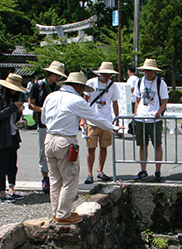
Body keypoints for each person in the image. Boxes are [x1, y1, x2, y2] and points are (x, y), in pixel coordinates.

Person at [41, 72, 117, 224]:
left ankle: (56, 212)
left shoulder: (51, 96)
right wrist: (112, 127)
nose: (83, 92)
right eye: (82, 88)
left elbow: (43, 118)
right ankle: (63, 214)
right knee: (70, 178)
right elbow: (95, 117)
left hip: (49, 138)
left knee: (55, 179)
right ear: (77, 86)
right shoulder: (76, 100)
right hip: (65, 140)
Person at [28, 61, 67, 193]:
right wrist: (44, 110)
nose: (57, 78)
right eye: (56, 75)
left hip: (56, 124)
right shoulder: (37, 86)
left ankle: (56, 179)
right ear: (50, 73)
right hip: (43, 123)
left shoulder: (57, 88)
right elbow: (30, 105)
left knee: (58, 151)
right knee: (43, 152)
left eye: (59, 76)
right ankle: (45, 179)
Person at [81, 61, 120, 184]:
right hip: (92, 121)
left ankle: (100, 170)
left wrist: (116, 119)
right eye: (105, 74)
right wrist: (82, 119)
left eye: (109, 75)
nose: (107, 76)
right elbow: (84, 100)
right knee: (91, 148)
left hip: (106, 120)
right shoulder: (91, 83)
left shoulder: (113, 86)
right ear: (100, 73)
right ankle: (89, 173)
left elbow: (115, 103)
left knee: (104, 147)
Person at [0, 73, 28, 203]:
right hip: (2, 136)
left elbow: (15, 119)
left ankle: (12, 189)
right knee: (2, 164)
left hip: (13, 134)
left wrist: (18, 111)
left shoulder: (14, 98)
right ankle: (2, 192)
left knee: (13, 163)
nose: (15, 91)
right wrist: (13, 108)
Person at [133, 58, 169, 182]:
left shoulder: (160, 83)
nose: (149, 73)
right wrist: (135, 115)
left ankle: (158, 170)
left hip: (155, 119)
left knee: (157, 145)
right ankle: (143, 170)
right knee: (142, 145)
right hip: (141, 118)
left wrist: (159, 112)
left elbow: (164, 101)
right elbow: (137, 101)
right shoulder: (139, 82)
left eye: (152, 71)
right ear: (144, 71)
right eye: (147, 71)